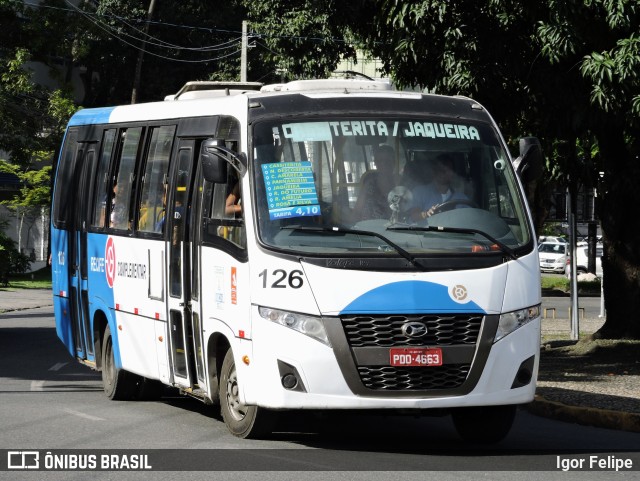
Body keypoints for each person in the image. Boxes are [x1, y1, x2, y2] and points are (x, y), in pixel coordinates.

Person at [411, 153, 468, 220]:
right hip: (425, 230)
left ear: (452, 173)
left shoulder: (461, 198)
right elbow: (414, 216)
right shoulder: (419, 192)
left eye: (448, 169)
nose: (443, 172)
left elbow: (471, 220)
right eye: (440, 169)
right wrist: (426, 214)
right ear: (434, 171)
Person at [352, 144, 398, 221]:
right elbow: (357, 211)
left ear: (394, 162)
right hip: (367, 229)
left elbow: (403, 214)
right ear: (375, 163)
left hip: (391, 230)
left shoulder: (401, 183)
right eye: (380, 161)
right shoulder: (369, 184)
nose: (383, 164)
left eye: (387, 160)